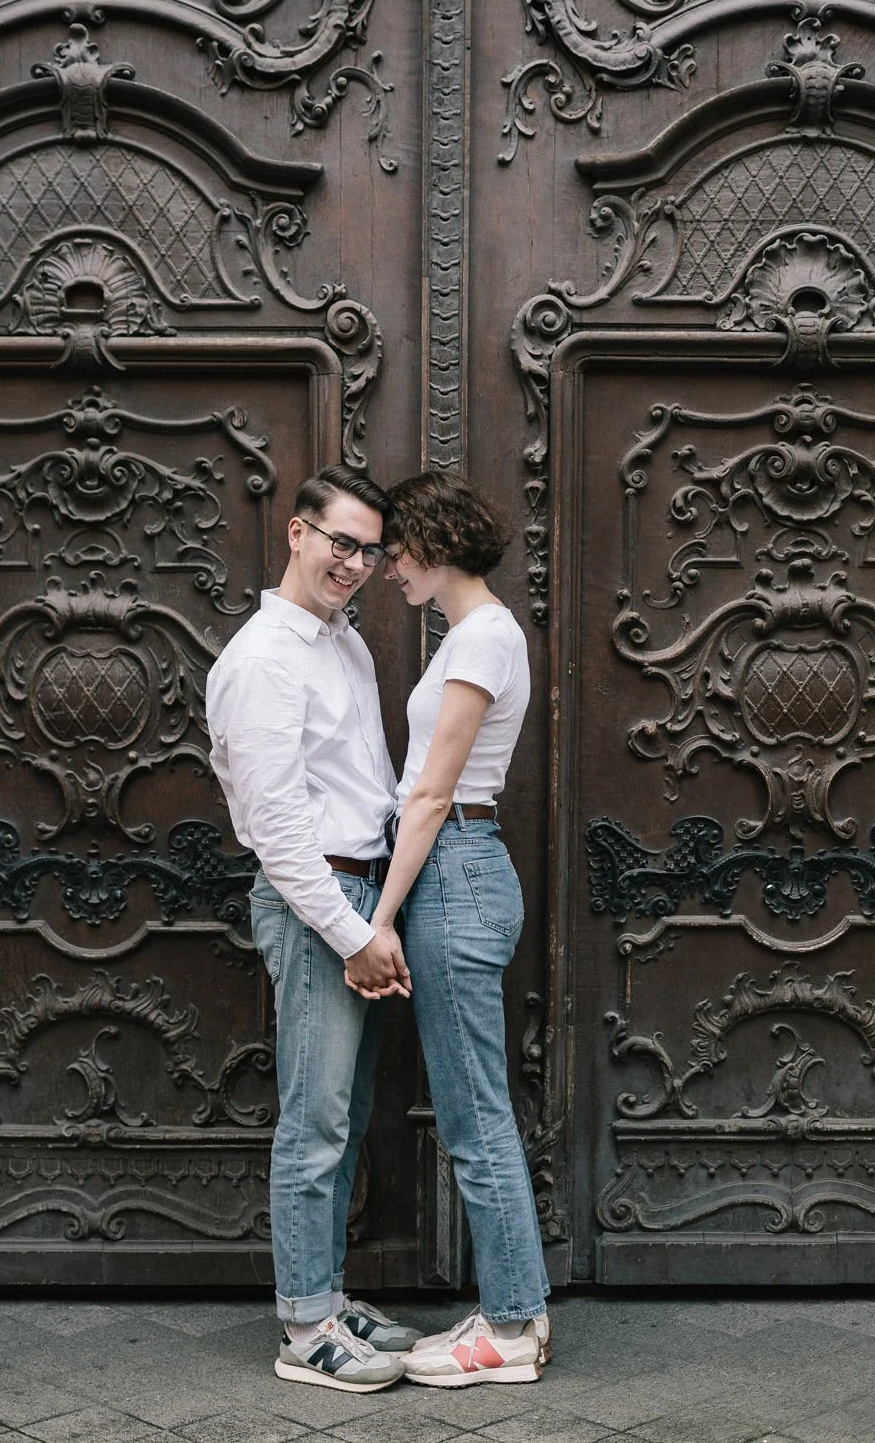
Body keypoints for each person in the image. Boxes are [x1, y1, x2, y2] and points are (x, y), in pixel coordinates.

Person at [206, 464, 421, 1393]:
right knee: (315, 1125)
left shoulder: (343, 644)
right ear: (297, 533)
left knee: (348, 1115)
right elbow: (278, 831)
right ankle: (305, 1329)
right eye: (342, 542)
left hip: (360, 895)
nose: (357, 563)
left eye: (370, 550)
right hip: (315, 907)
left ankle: (327, 1293)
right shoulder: (261, 659)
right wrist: (351, 934)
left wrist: (381, 910)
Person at [351, 470, 551, 1387]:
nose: (387, 566)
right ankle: (511, 1310)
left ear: (432, 544)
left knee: (475, 1115)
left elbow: (431, 793)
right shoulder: (472, 636)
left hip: (456, 872)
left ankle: (510, 1331)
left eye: (395, 551)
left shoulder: (484, 638)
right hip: (454, 871)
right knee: (473, 1109)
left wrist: (377, 920)